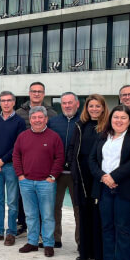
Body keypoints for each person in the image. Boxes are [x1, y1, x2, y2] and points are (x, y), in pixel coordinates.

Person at [89, 105, 130, 260]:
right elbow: (92, 160)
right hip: (104, 187)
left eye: (123, 117)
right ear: (110, 119)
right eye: (116, 117)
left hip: (126, 188)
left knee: (123, 227)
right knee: (107, 226)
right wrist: (103, 177)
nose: (119, 121)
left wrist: (114, 177)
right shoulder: (103, 136)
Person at [14, 106, 64, 257]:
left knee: (47, 215)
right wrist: (20, 175)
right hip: (26, 182)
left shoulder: (54, 137)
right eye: (34, 118)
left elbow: (59, 158)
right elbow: (16, 156)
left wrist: (52, 177)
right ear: (30, 120)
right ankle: (32, 242)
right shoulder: (22, 137)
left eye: (40, 117)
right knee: (30, 214)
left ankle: (48, 243)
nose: (37, 120)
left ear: (46, 119)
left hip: (46, 183)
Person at [69, 94, 108, 260]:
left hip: (100, 174)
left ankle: (99, 253)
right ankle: (85, 250)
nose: (94, 109)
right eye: (91, 106)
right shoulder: (81, 125)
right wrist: (73, 169)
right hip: (82, 174)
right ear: (86, 108)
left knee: (98, 213)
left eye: (97, 106)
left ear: (103, 108)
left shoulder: (108, 126)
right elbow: (72, 148)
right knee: (84, 212)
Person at [0, 91, 25, 246]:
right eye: (3, 100)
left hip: (11, 166)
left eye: (9, 100)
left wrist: (1, 161)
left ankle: (11, 232)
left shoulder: (19, 121)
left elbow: (18, 146)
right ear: (0, 102)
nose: (6, 103)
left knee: (13, 202)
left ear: (14, 102)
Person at [16, 82, 56, 236]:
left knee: (44, 203)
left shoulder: (51, 113)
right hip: (24, 162)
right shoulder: (19, 113)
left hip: (43, 165)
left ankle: (42, 233)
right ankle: (22, 225)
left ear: (44, 94)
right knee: (22, 198)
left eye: (40, 91)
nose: (37, 94)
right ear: (29, 93)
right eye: (34, 91)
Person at [48, 91, 81, 248]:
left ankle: (81, 241)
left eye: (70, 103)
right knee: (54, 207)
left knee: (78, 209)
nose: (67, 106)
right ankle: (55, 238)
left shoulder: (83, 121)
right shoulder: (53, 122)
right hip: (57, 172)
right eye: (64, 103)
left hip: (77, 173)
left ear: (77, 104)